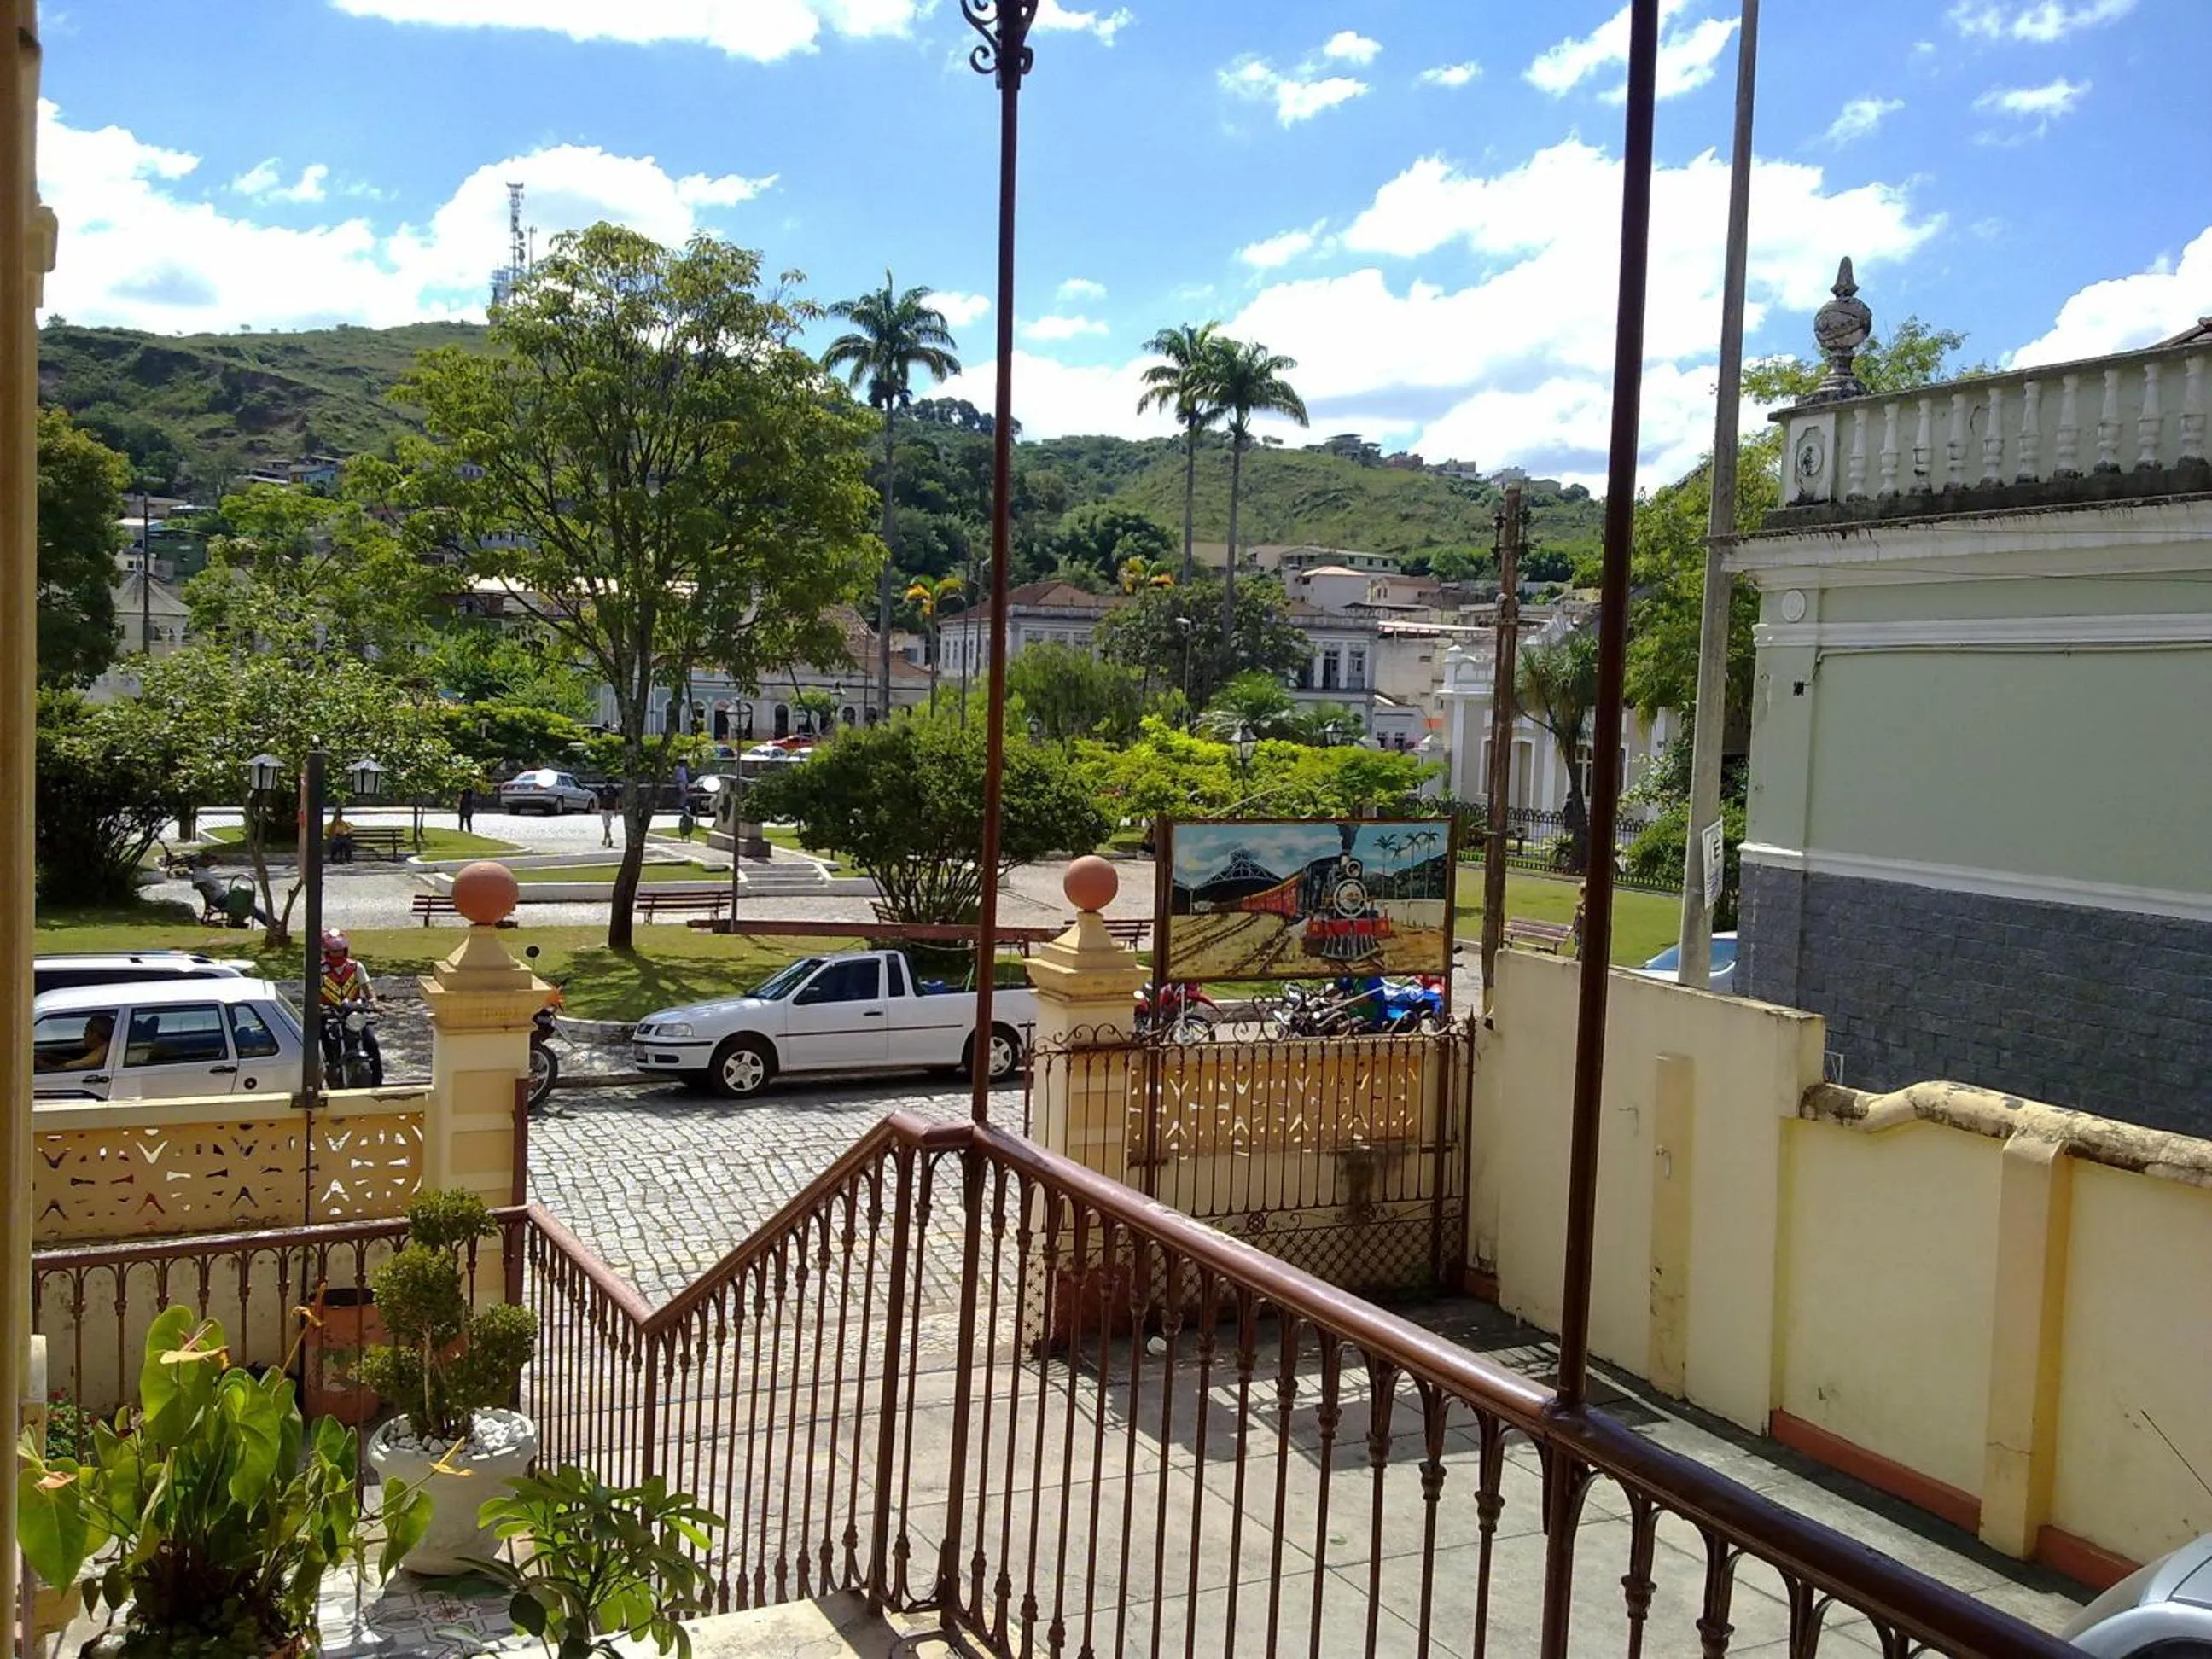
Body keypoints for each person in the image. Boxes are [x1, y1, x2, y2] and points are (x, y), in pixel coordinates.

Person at [318, 930, 382, 1086]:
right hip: (328, 1012)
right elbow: (312, 991)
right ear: (327, 952)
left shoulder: (355, 967)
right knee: (317, 1045)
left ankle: (377, 1081)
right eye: (334, 951)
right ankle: (321, 1079)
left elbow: (366, 986)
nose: (338, 954)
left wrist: (374, 1002)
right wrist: (317, 1007)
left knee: (371, 1042)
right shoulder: (319, 969)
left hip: (353, 1012)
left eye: (340, 950)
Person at [39, 1012, 114, 1074]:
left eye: (86, 1031)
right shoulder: (106, 1048)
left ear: (95, 1034)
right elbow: (76, 1062)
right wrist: (51, 1057)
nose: (84, 1035)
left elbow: (59, 1070)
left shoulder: (99, 1055)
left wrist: (38, 1061)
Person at [598, 784, 617, 849]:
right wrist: (616, 809)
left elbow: (599, 798)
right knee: (607, 824)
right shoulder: (614, 789)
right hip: (611, 808)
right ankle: (606, 839)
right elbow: (617, 799)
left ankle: (609, 839)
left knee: (606, 824)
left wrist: (597, 807)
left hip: (603, 808)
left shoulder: (603, 788)